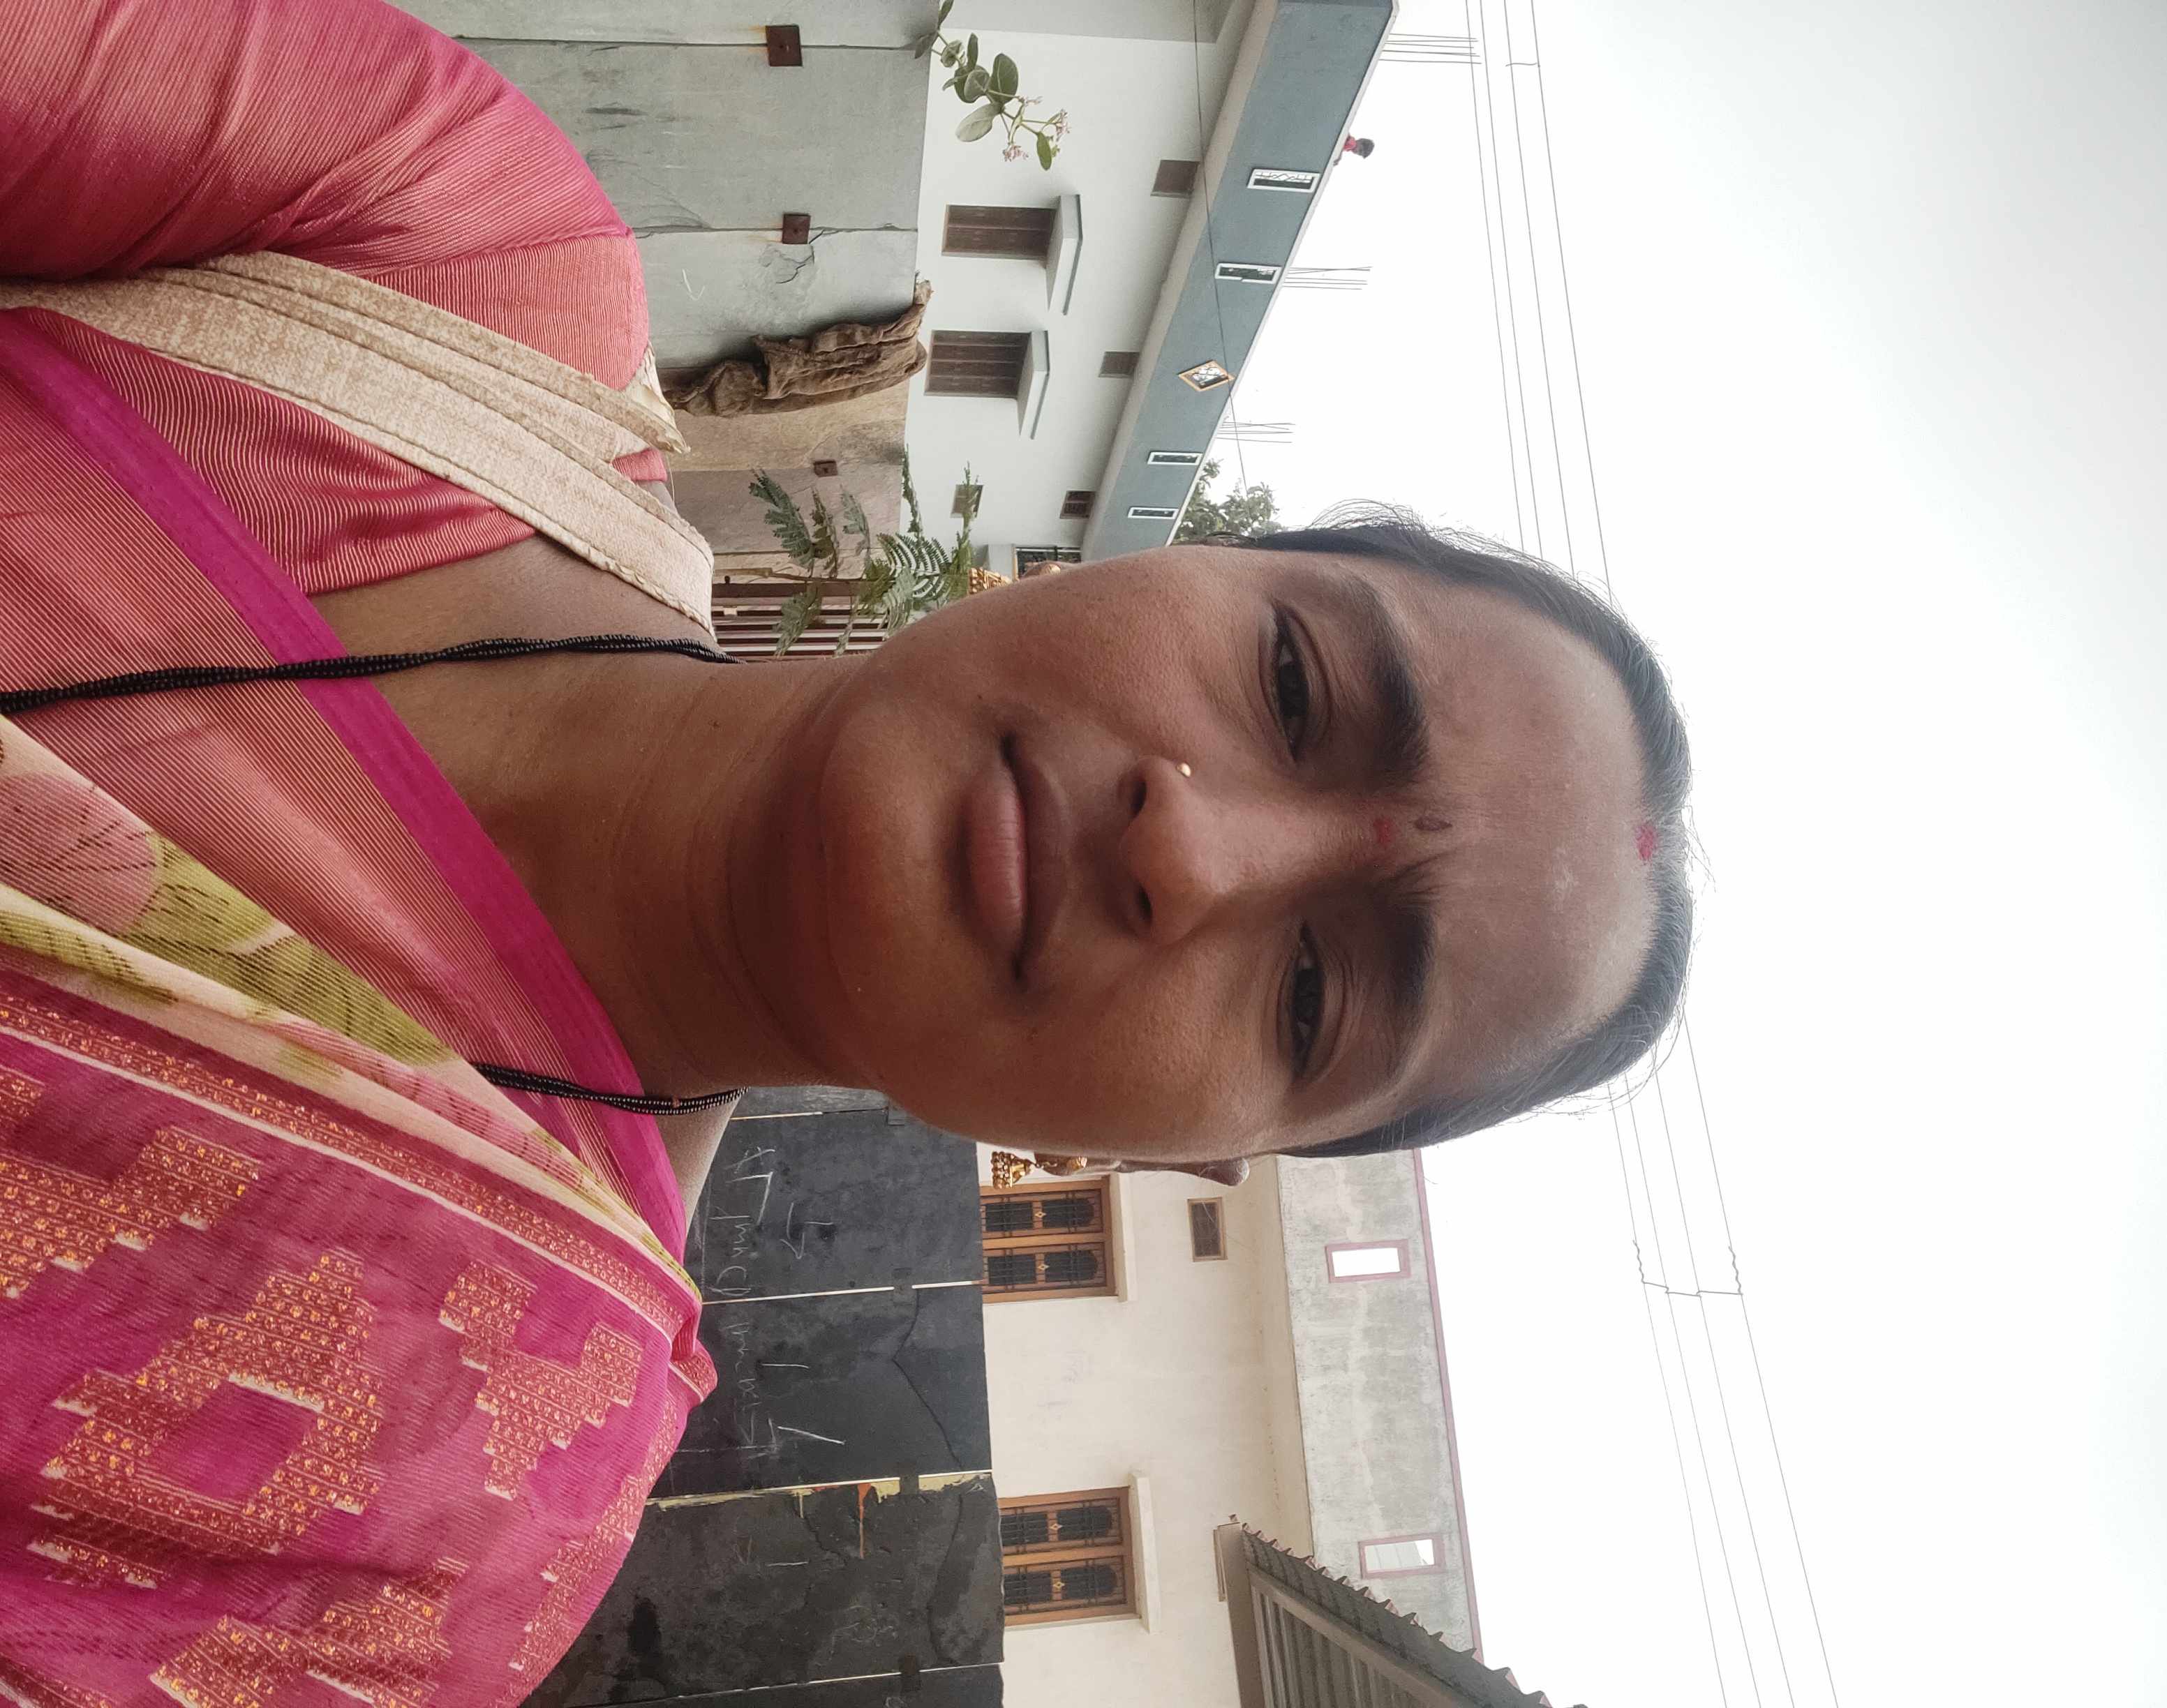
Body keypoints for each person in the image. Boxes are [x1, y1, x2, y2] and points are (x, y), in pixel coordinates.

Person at [0, 0, 1692, 1699]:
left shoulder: (449, 1522)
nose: (1193, 851)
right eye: (1294, 684)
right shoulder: (443, 250)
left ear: (1185, 1156)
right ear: (1165, 555)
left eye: (1316, 993)